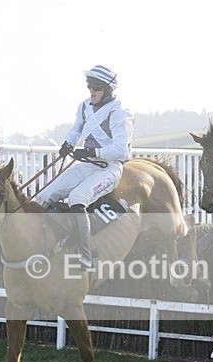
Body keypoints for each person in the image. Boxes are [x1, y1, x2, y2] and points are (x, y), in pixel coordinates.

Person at [35, 64, 134, 269]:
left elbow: (121, 150)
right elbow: (75, 130)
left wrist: (92, 152)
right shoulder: (84, 106)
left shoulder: (119, 112)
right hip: (87, 166)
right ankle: (41, 242)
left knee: (77, 198)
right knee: (44, 196)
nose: (91, 90)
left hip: (109, 169)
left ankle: (86, 255)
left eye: (96, 86)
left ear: (108, 89)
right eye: (89, 85)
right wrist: (68, 144)